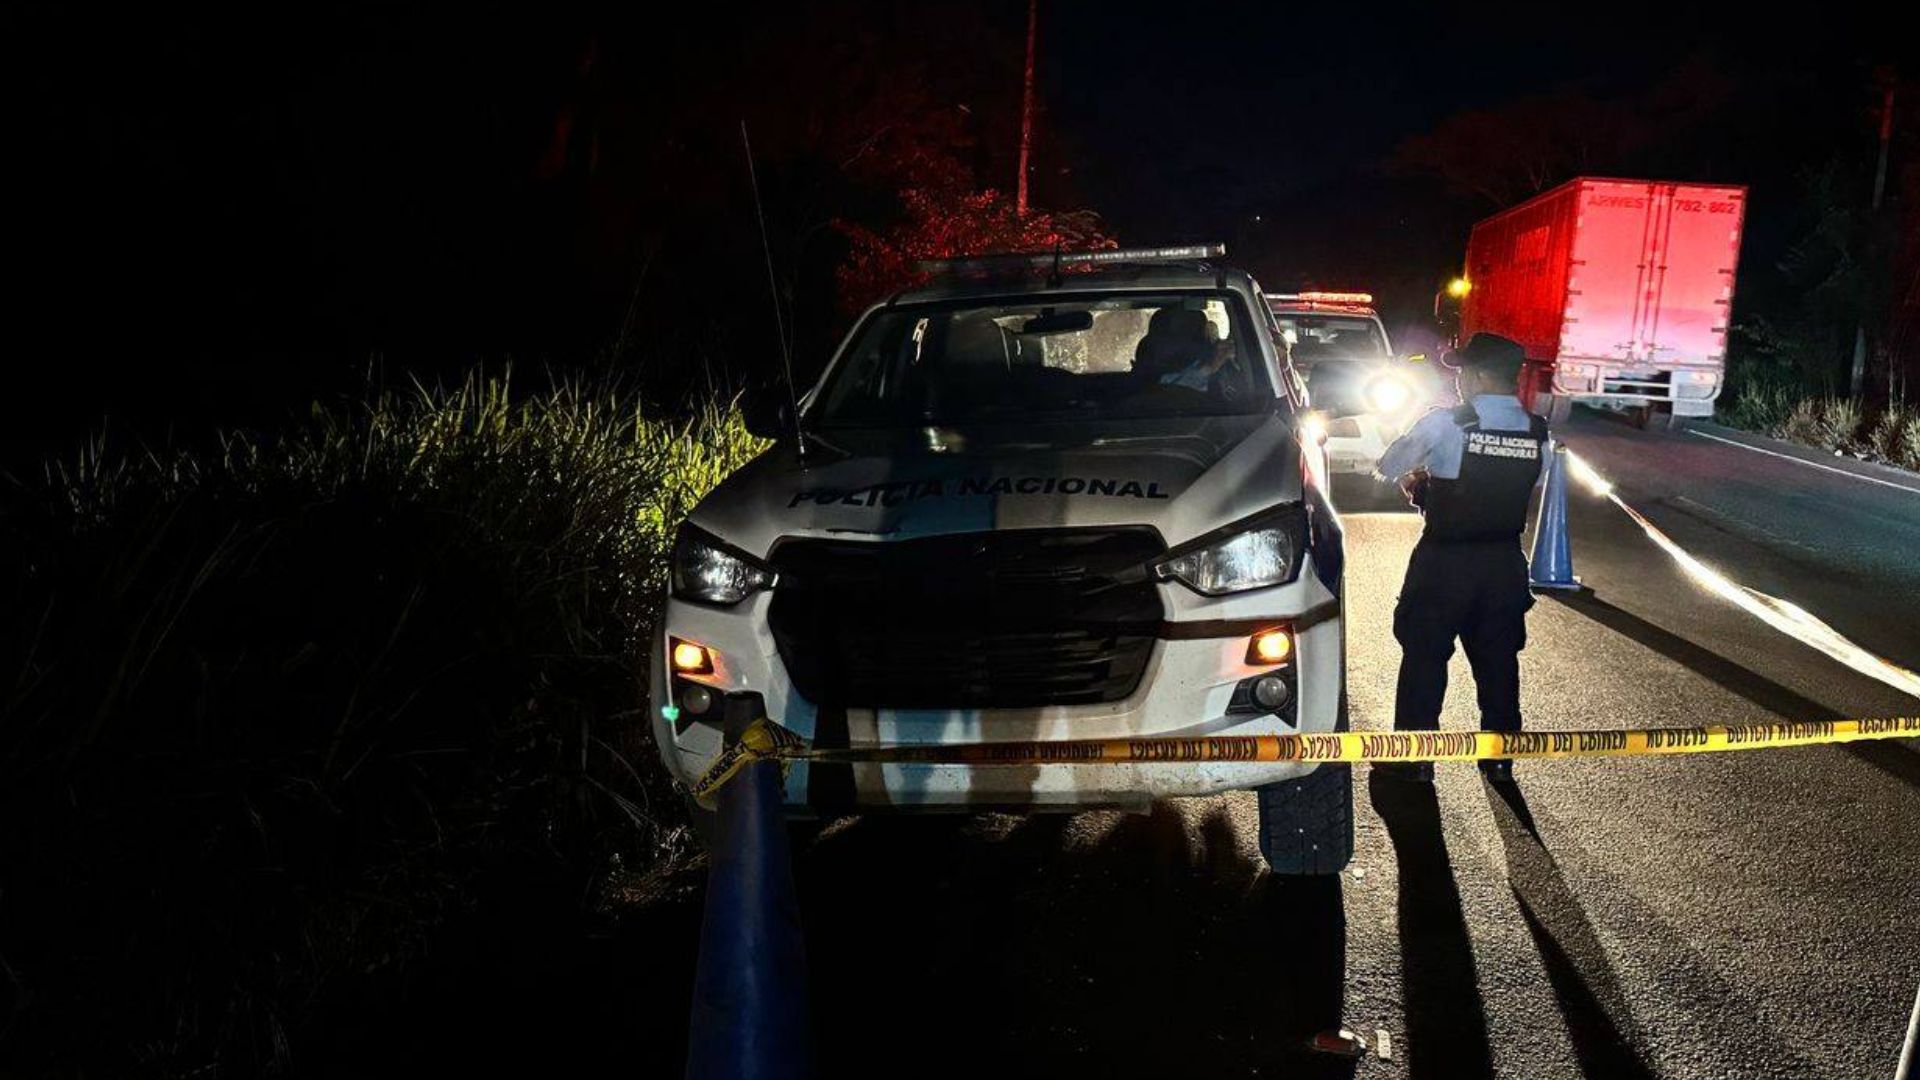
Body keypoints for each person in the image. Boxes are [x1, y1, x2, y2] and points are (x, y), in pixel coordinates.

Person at [1373, 333, 1549, 783]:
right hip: (1503, 565)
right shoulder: (1537, 431)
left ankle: (1415, 760)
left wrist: (1418, 483)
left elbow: (1388, 465)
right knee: (1498, 663)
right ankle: (1500, 759)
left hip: (1444, 564)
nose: (1459, 381)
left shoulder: (1445, 424)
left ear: (1477, 375)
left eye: (1462, 372)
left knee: (1424, 659)